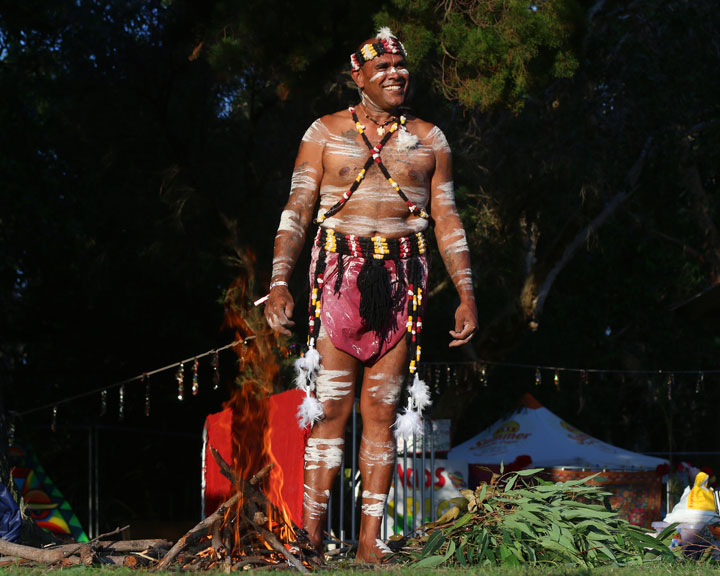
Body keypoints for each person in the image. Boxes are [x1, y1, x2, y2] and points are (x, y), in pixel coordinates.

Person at [264, 27, 477, 563]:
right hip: (338, 279)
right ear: (356, 77)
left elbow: (447, 217)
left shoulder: (430, 139)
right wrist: (277, 282)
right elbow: (297, 212)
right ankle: (311, 534)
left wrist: (467, 294)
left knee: (381, 412)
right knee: (330, 408)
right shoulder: (324, 132)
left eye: (401, 67)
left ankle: (369, 541)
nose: (395, 74)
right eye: (382, 68)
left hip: (403, 280)